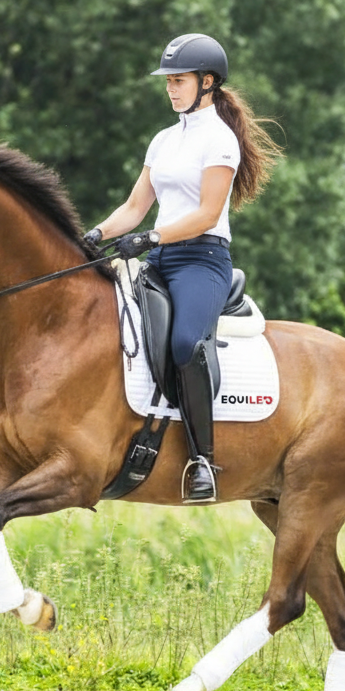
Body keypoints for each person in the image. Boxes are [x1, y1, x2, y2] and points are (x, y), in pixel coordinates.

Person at [85, 33, 282, 503]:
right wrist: (92, 236)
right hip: (159, 258)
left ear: (207, 82)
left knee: (185, 342)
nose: (171, 89)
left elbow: (207, 214)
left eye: (179, 80)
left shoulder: (220, 141)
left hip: (202, 259)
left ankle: (202, 460)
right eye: (168, 81)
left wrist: (152, 236)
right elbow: (135, 207)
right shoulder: (164, 140)